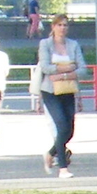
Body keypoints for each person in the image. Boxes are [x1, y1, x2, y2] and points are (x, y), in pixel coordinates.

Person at [36, 14, 84, 175]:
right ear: (53, 27)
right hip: (50, 91)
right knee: (61, 125)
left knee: (70, 130)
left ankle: (50, 152)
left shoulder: (73, 45)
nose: (62, 28)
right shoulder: (45, 44)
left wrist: (63, 73)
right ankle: (63, 167)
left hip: (68, 89)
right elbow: (45, 67)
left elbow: (83, 69)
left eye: (65, 25)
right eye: (59, 25)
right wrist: (69, 67)